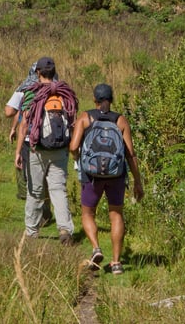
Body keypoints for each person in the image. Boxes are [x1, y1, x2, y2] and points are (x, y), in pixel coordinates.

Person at [69, 83, 144, 274]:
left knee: (87, 213)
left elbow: (72, 146)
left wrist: (79, 159)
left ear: (95, 100)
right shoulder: (120, 121)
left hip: (91, 175)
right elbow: (130, 154)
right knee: (116, 215)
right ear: (112, 100)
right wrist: (137, 180)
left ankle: (96, 248)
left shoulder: (85, 117)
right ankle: (117, 262)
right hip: (116, 175)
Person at [14, 57, 77, 242]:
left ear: (38, 73)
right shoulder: (65, 93)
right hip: (60, 149)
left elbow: (24, 124)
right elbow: (72, 121)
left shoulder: (33, 93)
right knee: (58, 189)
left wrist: (18, 151)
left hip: (37, 149)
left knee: (35, 190)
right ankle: (65, 229)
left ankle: (32, 232)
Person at [4, 62, 53, 225]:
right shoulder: (57, 87)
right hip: (51, 138)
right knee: (46, 175)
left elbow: (10, 111)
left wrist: (15, 129)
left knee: (32, 176)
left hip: (30, 138)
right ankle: (45, 210)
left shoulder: (26, 87)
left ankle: (38, 215)